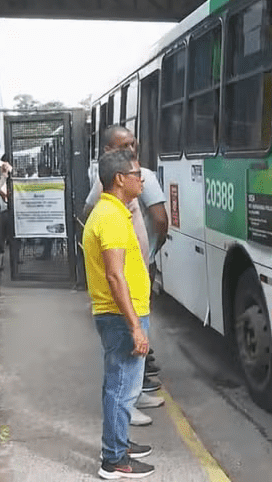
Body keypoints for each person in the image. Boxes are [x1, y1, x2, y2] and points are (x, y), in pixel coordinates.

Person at [83, 125, 168, 422]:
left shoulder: (113, 197)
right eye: (124, 146)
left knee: (129, 362)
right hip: (123, 285)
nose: (132, 152)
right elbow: (160, 219)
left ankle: (134, 400)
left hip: (131, 274)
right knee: (125, 361)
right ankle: (116, 451)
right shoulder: (111, 210)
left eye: (133, 144)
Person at [84, 148, 155, 479]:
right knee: (122, 389)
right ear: (119, 179)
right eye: (137, 174)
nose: (142, 180)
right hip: (120, 317)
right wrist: (135, 328)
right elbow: (115, 276)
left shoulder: (111, 212)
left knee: (121, 386)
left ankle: (118, 444)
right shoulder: (110, 218)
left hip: (119, 315)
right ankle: (114, 460)